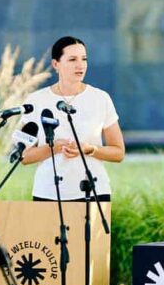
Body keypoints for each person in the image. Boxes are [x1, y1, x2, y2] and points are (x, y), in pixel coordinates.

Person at [20, 36, 125, 201]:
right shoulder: (36, 100)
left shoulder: (100, 98)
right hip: (48, 193)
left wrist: (90, 149)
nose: (80, 65)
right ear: (56, 64)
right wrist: (54, 147)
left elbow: (118, 153)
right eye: (72, 59)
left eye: (84, 59)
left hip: (94, 192)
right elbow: (23, 156)